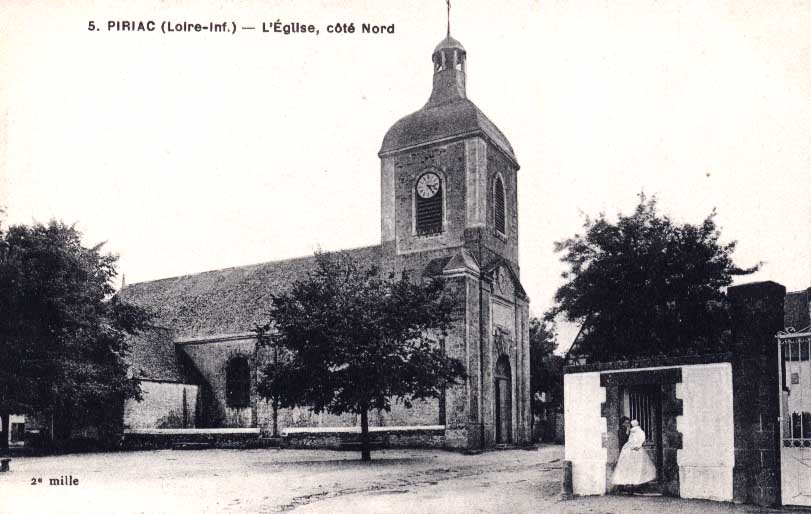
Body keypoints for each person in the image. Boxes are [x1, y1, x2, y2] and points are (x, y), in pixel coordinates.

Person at [612, 419, 657, 493]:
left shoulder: (633, 431)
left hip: (631, 450)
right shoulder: (627, 431)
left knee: (634, 468)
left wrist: (637, 445)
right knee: (632, 468)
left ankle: (635, 486)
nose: (628, 425)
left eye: (629, 423)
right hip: (631, 450)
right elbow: (634, 440)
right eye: (626, 423)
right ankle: (631, 487)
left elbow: (639, 439)